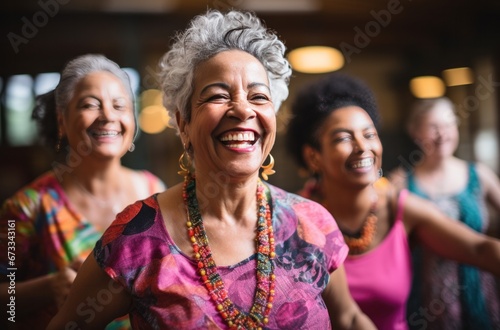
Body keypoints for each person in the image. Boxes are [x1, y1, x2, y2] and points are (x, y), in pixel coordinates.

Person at [47, 10, 376, 330]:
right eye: (218, 95)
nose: (243, 109)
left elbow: (348, 318)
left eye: (258, 96)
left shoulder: (313, 224)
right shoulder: (136, 238)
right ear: (183, 122)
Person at [284, 72, 500, 330]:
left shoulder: (400, 208)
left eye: (369, 134)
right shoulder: (293, 220)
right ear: (313, 157)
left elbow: (480, 249)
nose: (363, 147)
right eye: (343, 138)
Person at [0, 54, 166, 330]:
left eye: (119, 105)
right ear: (62, 121)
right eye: (90, 105)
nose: (108, 116)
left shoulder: (153, 190)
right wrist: (47, 287)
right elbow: (8, 308)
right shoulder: (27, 208)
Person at [389, 96, 500, 329]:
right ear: (415, 132)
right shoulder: (400, 183)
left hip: (482, 289)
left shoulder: (478, 175)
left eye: (449, 125)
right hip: (425, 298)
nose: (443, 134)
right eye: (433, 127)